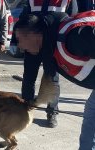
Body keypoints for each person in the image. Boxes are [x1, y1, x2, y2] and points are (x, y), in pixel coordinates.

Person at [14, 10, 95, 150]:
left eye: (20, 39)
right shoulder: (49, 45)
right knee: (91, 117)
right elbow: (35, 78)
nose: (19, 46)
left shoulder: (73, 37)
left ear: (35, 35)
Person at [10, 0, 78, 128]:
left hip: (53, 46)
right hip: (33, 44)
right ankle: (25, 109)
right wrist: (17, 40)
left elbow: (73, 21)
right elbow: (24, 18)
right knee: (29, 78)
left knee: (52, 80)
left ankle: (52, 113)